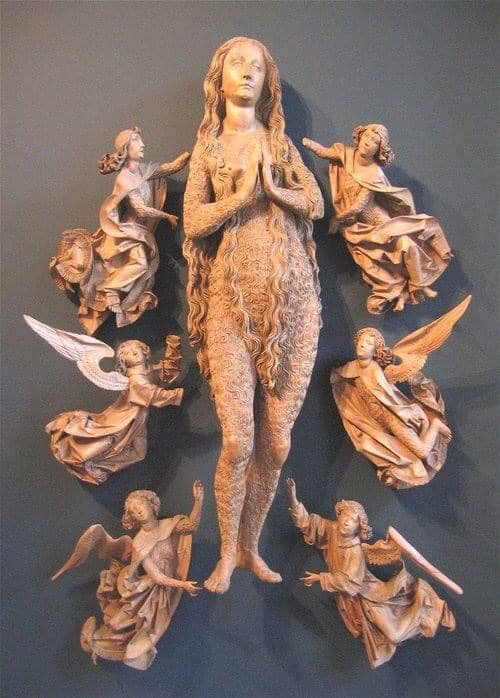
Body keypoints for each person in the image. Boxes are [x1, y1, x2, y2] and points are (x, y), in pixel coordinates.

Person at [183, 37, 324, 592]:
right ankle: (225, 553)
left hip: (294, 307)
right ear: (218, 78)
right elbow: (194, 220)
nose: (247, 72)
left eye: (257, 66)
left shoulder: (279, 145)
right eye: (237, 64)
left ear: (268, 81)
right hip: (230, 304)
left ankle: (251, 547)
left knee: (277, 445)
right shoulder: (210, 148)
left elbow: (316, 203)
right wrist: (243, 197)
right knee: (238, 442)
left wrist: (275, 191)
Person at [287, 479, 456, 669]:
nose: (346, 521)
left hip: (371, 597)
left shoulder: (355, 551)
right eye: (345, 515)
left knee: (394, 636)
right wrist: (294, 500)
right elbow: (308, 524)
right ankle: (419, 608)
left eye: (353, 520)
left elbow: (351, 582)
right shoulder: (331, 530)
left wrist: (321, 578)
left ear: (359, 528)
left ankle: (422, 596)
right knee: (387, 635)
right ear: (339, 515)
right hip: (354, 601)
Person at [50, 128, 190, 333]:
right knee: (141, 264)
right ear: (126, 149)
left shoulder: (144, 170)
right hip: (129, 230)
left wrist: (193, 153)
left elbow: (171, 167)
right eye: (137, 142)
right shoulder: (125, 178)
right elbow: (140, 209)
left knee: (143, 267)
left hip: (141, 231)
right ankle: (111, 289)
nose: (142, 145)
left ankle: (115, 290)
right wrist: (166, 216)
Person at [304, 124, 452, 313]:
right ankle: (401, 288)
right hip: (359, 228)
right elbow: (324, 152)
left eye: (375, 142)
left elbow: (358, 206)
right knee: (374, 263)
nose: (368, 142)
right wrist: (308, 144)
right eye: (367, 137)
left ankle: (417, 285)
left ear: (379, 150)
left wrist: (337, 219)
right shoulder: (345, 153)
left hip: (381, 223)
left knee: (408, 245)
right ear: (359, 136)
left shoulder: (374, 173)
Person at [61, 484, 203, 670]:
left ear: (151, 504)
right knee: (118, 623)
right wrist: (182, 584)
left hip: (163, 589)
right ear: (132, 518)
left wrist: (198, 501)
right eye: (134, 511)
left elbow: (191, 526)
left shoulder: (169, 525)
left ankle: (107, 644)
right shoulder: (139, 543)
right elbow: (157, 577)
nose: (139, 511)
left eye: (140, 505)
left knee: (136, 627)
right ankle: (97, 643)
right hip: (150, 589)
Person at [46, 339, 183, 484]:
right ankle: (86, 461)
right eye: (128, 353)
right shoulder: (136, 379)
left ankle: (97, 465)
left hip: (137, 421)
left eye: (136, 349)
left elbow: (166, 372)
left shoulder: (147, 371)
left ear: (145, 351)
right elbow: (157, 396)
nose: (134, 353)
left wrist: (173, 346)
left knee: (138, 453)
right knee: (110, 441)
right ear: (124, 360)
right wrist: (180, 394)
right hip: (123, 419)